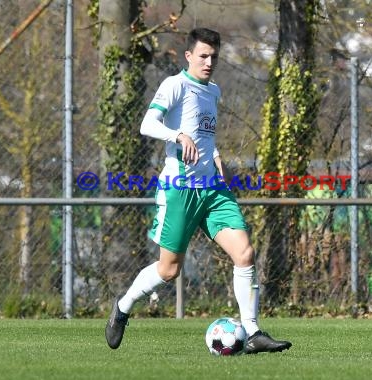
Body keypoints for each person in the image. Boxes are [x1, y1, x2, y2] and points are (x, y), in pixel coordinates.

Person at [105, 27, 292, 354]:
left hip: (212, 189)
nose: (209, 62)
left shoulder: (214, 91)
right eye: (203, 56)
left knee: (244, 253)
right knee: (169, 270)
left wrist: (217, 156)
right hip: (180, 188)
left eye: (214, 57)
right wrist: (178, 136)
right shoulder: (174, 85)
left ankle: (252, 332)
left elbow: (205, 134)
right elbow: (146, 125)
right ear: (188, 56)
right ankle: (122, 307)